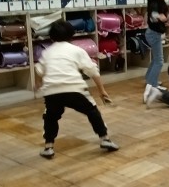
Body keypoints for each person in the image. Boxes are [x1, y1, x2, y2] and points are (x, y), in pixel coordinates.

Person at [34, 20, 119, 159]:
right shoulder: (77, 50)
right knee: (92, 111)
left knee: (50, 117)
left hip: (52, 91)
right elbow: (93, 71)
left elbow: (39, 70)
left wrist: (38, 85)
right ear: (71, 36)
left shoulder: (47, 52)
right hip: (74, 88)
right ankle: (105, 139)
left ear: (51, 37)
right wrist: (102, 91)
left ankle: (48, 147)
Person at [144, 0, 169, 103]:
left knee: (156, 59)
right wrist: (160, 16)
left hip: (154, 34)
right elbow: (153, 16)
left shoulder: (160, 3)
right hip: (153, 34)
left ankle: (150, 79)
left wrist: (166, 17)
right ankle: (152, 85)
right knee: (159, 61)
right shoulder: (154, 4)